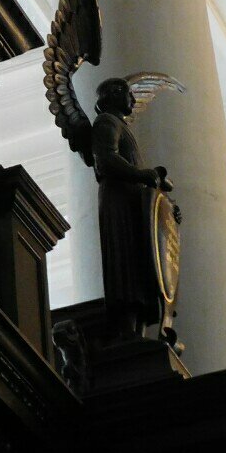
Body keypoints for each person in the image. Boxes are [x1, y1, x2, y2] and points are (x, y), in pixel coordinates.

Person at [91, 77, 173, 341]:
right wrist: (140, 175)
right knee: (126, 263)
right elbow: (105, 159)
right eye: (128, 93)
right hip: (119, 200)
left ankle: (137, 332)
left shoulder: (120, 125)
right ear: (114, 95)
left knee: (139, 265)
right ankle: (128, 331)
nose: (133, 99)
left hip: (131, 199)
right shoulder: (107, 122)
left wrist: (165, 212)